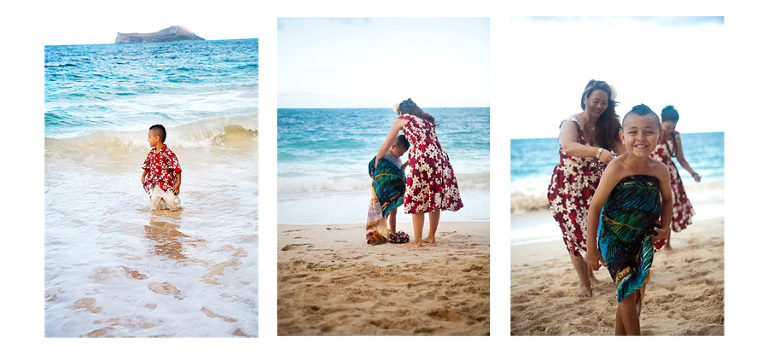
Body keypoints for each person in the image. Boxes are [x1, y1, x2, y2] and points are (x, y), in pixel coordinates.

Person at [586, 104, 673, 336]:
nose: (641, 138)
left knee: (635, 293)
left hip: (642, 240)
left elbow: (667, 201)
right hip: (613, 239)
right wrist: (591, 248)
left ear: (659, 136)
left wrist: (665, 227)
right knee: (626, 289)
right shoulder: (616, 168)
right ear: (623, 137)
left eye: (648, 131)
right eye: (633, 132)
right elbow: (595, 208)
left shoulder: (661, 170)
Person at [547, 79, 626, 297]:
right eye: (595, 101)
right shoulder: (571, 123)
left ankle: (595, 274)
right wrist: (598, 152)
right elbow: (568, 146)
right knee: (573, 235)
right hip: (568, 189)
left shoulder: (607, 126)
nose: (599, 106)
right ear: (585, 99)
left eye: (604, 103)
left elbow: (623, 151)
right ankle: (585, 284)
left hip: (597, 186)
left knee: (598, 231)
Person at [374, 98, 463, 248]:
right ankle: (431, 237)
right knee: (433, 197)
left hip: (422, 157)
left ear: (401, 111)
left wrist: (377, 160)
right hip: (440, 157)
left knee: (417, 197)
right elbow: (429, 142)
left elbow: (386, 145)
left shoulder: (402, 119)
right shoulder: (426, 121)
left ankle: (417, 242)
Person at [649, 105, 699, 250]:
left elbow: (681, 159)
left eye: (673, 127)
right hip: (652, 174)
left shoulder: (675, 136)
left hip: (671, 175)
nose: (670, 130)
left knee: (668, 207)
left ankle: (667, 244)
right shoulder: (652, 132)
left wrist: (693, 173)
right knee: (652, 209)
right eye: (668, 127)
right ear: (661, 121)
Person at [366, 135, 410, 245]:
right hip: (382, 190)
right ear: (393, 146)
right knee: (383, 212)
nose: (401, 155)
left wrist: (407, 163)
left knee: (393, 211)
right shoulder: (384, 155)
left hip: (393, 191)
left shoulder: (398, 160)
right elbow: (384, 148)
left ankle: (393, 233)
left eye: (403, 154)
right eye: (400, 152)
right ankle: (380, 232)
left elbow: (400, 172)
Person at [141, 124, 182, 211]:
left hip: (167, 185)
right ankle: (158, 220)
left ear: (157, 138)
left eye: (149, 137)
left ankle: (175, 217)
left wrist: (178, 184)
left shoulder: (168, 153)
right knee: (155, 207)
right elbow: (147, 165)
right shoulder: (151, 153)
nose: (148, 140)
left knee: (173, 205)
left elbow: (177, 167)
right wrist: (143, 175)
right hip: (156, 184)